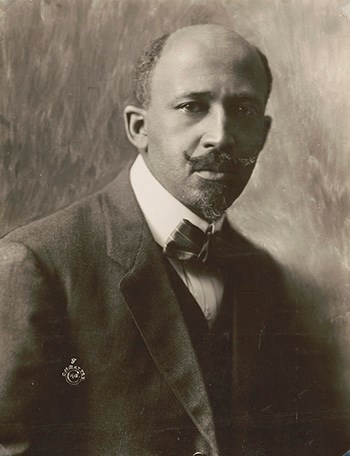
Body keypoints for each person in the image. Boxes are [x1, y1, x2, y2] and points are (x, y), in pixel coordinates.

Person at [0, 24, 348, 456]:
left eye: (242, 109)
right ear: (139, 127)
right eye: (192, 106)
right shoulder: (34, 266)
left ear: (263, 131)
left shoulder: (263, 275)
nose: (220, 135)